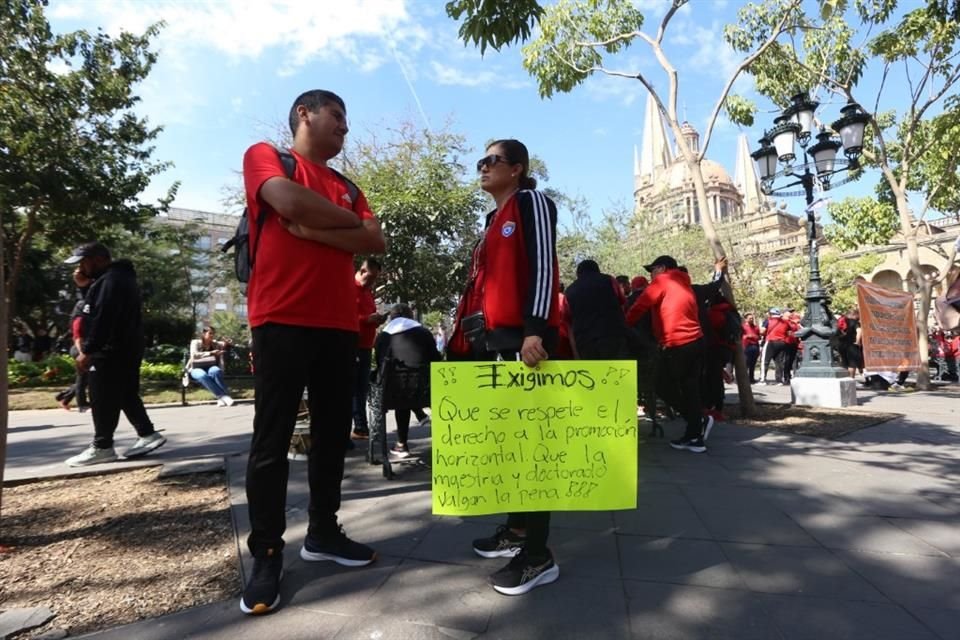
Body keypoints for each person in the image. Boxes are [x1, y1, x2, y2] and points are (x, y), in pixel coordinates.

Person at [239, 89, 385, 615]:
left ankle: (323, 532)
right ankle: (267, 553)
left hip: (338, 325)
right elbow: (286, 202)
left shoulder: (349, 185)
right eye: (338, 117)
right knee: (272, 440)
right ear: (305, 114)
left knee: (330, 438)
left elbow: (376, 240)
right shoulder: (267, 157)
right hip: (279, 318)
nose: (345, 128)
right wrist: (343, 228)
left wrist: (311, 228)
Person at [448, 138, 561, 595]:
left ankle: (538, 556)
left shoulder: (531, 202)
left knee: (529, 451)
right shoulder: (495, 219)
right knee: (507, 446)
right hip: (491, 341)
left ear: (516, 168)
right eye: (480, 162)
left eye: (490, 161)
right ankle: (516, 530)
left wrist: (536, 328)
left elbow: (543, 266)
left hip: (523, 340)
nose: (482, 168)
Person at [63, 242, 166, 467]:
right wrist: (84, 287)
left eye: (84, 262)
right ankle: (147, 434)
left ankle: (102, 446)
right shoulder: (115, 279)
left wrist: (88, 350)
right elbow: (93, 308)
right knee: (124, 393)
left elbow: (102, 318)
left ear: (98, 259)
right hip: (125, 346)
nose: (80, 267)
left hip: (110, 349)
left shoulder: (110, 281)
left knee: (101, 397)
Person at [626, 255, 713, 453]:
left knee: (662, 385)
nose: (651, 275)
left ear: (662, 268)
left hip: (677, 343)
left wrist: (624, 325)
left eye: (653, 270)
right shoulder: (684, 282)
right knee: (690, 387)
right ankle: (695, 436)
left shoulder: (663, 281)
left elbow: (640, 306)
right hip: (697, 341)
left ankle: (697, 420)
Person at [371, 303, 440, 457]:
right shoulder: (424, 333)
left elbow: (379, 361)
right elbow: (436, 358)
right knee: (410, 387)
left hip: (393, 392)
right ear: (411, 316)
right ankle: (421, 415)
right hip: (426, 390)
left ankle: (402, 444)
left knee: (401, 392)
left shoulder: (384, 336)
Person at [563, 259, 628, 359]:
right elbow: (622, 303)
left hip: (585, 342)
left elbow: (569, 323)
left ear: (578, 274)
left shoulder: (569, 291)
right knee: (615, 370)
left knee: (593, 373)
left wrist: (576, 354)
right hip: (612, 336)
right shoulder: (609, 280)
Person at [351, 257, 385, 440]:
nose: (372, 283)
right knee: (351, 389)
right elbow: (344, 317)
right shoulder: (349, 288)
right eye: (370, 278)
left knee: (361, 388)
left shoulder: (367, 293)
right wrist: (366, 320)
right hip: (352, 345)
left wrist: (377, 319)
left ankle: (361, 428)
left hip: (365, 346)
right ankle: (353, 427)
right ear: (362, 271)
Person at [55, 267, 93, 412]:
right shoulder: (82, 307)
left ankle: (64, 397)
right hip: (79, 347)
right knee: (83, 377)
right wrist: (82, 351)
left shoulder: (86, 303)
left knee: (86, 377)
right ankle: (82, 404)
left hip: (84, 346)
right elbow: (77, 333)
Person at [188, 326, 234, 406]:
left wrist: (228, 342)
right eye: (210, 333)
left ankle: (221, 398)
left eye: (213, 333)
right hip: (196, 368)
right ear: (204, 333)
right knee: (202, 375)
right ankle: (223, 396)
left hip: (210, 367)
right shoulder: (195, 342)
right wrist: (211, 353)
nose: (212, 335)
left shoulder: (215, 343)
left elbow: (227, 344)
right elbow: (194, 355)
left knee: (216, 371)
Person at [837, 307, 864, 379]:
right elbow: (859, 331)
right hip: (852, 345)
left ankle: (844, 380)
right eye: (858, 315)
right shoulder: (855, 322)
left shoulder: (841, 321)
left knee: (844, 363)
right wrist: (857, 342)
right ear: (855, 314)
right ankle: (851, 380)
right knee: (852, 364)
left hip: (842, 345)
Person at [741, 312, 761, 384]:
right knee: (746, 363)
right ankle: (744, 379)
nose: (751, 319)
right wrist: (746, 336)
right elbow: (739, 336)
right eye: (750, 318)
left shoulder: (755, 327)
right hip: (746, 346)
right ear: (746, 319)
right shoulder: (742, 327)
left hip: (755, 346)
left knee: (753, 364)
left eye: (752, 318)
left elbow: (759, 337)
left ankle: (751, 378)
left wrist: (756, 337)